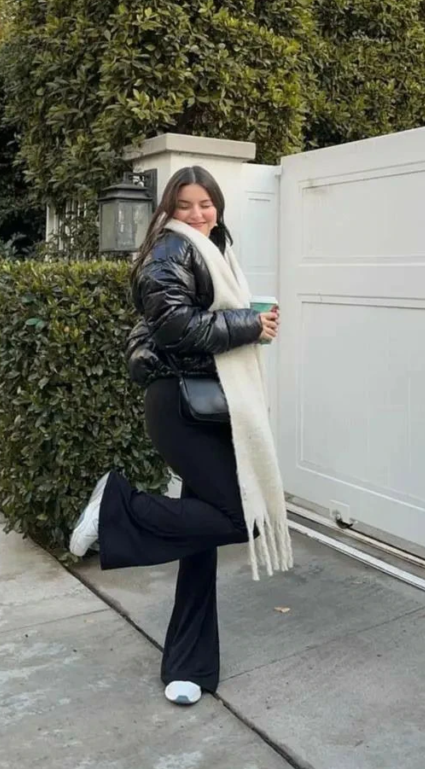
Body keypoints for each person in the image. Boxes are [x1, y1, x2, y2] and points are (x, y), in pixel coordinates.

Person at [69, 166, 293, 706]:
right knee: (238, 519)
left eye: (207, 203)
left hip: (210, 406)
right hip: (181, 406)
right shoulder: (172, 249)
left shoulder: (213, 249)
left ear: (218, 207)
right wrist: (247, 326)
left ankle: (187, 667)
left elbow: (166, 326)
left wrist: (252, 323)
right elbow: (175, 326)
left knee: (203, 539)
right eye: (187, 204)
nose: (198, 213)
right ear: (169, 209)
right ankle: (116, 507)